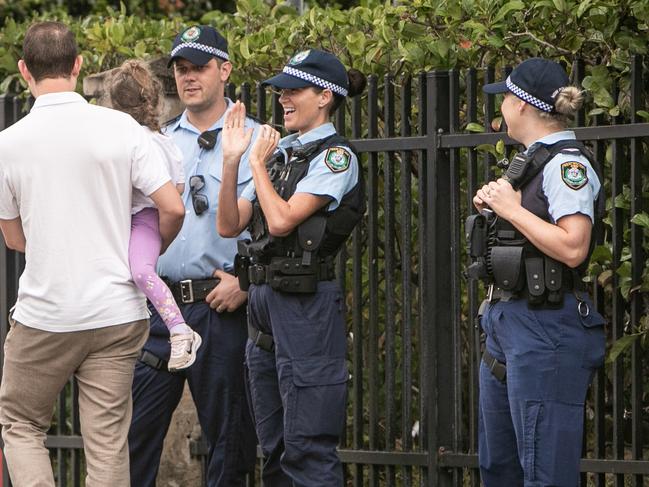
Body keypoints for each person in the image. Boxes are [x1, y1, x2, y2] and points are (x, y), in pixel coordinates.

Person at [0, 21, 184, 487]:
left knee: (21, 424)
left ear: (24, 70)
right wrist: (144, 253)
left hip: (47, 314)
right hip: (117, 312)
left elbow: (14, 240)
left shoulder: (8, 145)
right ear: (78, 66)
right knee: (106, 443)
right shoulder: (122, 128)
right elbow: (172, 206)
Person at [217, 49, 366, 486]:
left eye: (294, 90)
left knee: (308, 447)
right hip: (264, 302)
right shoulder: (284, 154)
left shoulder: (335, 157)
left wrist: (257, 163)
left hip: (304, 306)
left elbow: (282, 219)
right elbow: (229, 224)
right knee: (276, 447)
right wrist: (231, 162)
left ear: (324, 96)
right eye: (280, 91)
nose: (283, 98)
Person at [128, 25, 259, 487]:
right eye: (180, 69)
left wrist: (247, 281)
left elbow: (272, 227)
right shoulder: (155, 139)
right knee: (131, 437)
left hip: (218, 306)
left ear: (224, 70)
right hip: (157, 311)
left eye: (199, 67)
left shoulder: (257, 139)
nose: (187, 77)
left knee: (230, 442)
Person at [468, 58, 606, 486]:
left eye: (505, 98)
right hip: (509, 322)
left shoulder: (568, 165)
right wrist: (497, 212)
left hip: (545, 327)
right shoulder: (532, 161)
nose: (501, 107)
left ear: (523, 105)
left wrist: (510, 209)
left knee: (544, 471)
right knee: (499, 467)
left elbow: (573, 246)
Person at [109, 59, 201, 371]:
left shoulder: (136, 141)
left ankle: (179, 329)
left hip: (143, 217)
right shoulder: (165, 142)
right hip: (128, 218)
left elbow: (170, 198)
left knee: (142, 271)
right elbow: (177, 185)